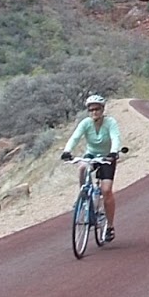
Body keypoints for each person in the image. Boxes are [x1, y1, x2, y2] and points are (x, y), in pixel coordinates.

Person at [60, 94, 123, 242]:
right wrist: (67, 151)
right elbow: (75, 137)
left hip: (107, 157)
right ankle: (83, 195)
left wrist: (114, 152)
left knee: (106, 190)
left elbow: (115, 137)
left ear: (102, 109)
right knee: (82, 167)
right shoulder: (85, 123)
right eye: (91, 109)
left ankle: (110, 226)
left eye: (97, 109)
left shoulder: (110, 122)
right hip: (92, 154)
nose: (94, 112)